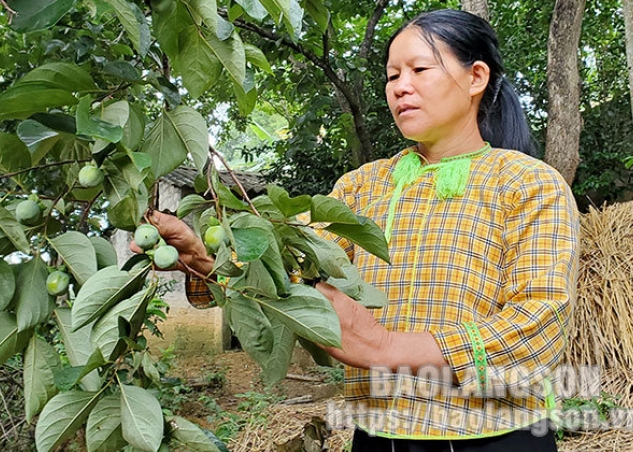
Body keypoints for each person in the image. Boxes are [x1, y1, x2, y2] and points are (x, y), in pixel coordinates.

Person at [135, 8, 579, 452]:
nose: (400, 86)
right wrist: (203, 256)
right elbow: (292, 276)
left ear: (476, 77)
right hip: (377, 436)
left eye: (420, 69)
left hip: (495, 437)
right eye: (392, 76)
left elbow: (538, 323)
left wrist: (385, 346)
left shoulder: (526, 182)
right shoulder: (362, 186)